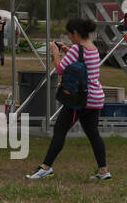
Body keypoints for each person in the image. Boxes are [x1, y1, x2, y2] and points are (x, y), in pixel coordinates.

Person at [26, 17, 112, 181]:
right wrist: (67, 51)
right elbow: (82, 65)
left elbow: (60, 69)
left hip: (79, 100)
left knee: (60, 131)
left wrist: (55, 51)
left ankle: (45, 167)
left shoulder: (76, 49)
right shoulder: (92, 48)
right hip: (95, 98)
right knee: (93, 134)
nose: (69, 37)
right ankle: (103, 171)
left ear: (76, 33)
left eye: (70, 35)